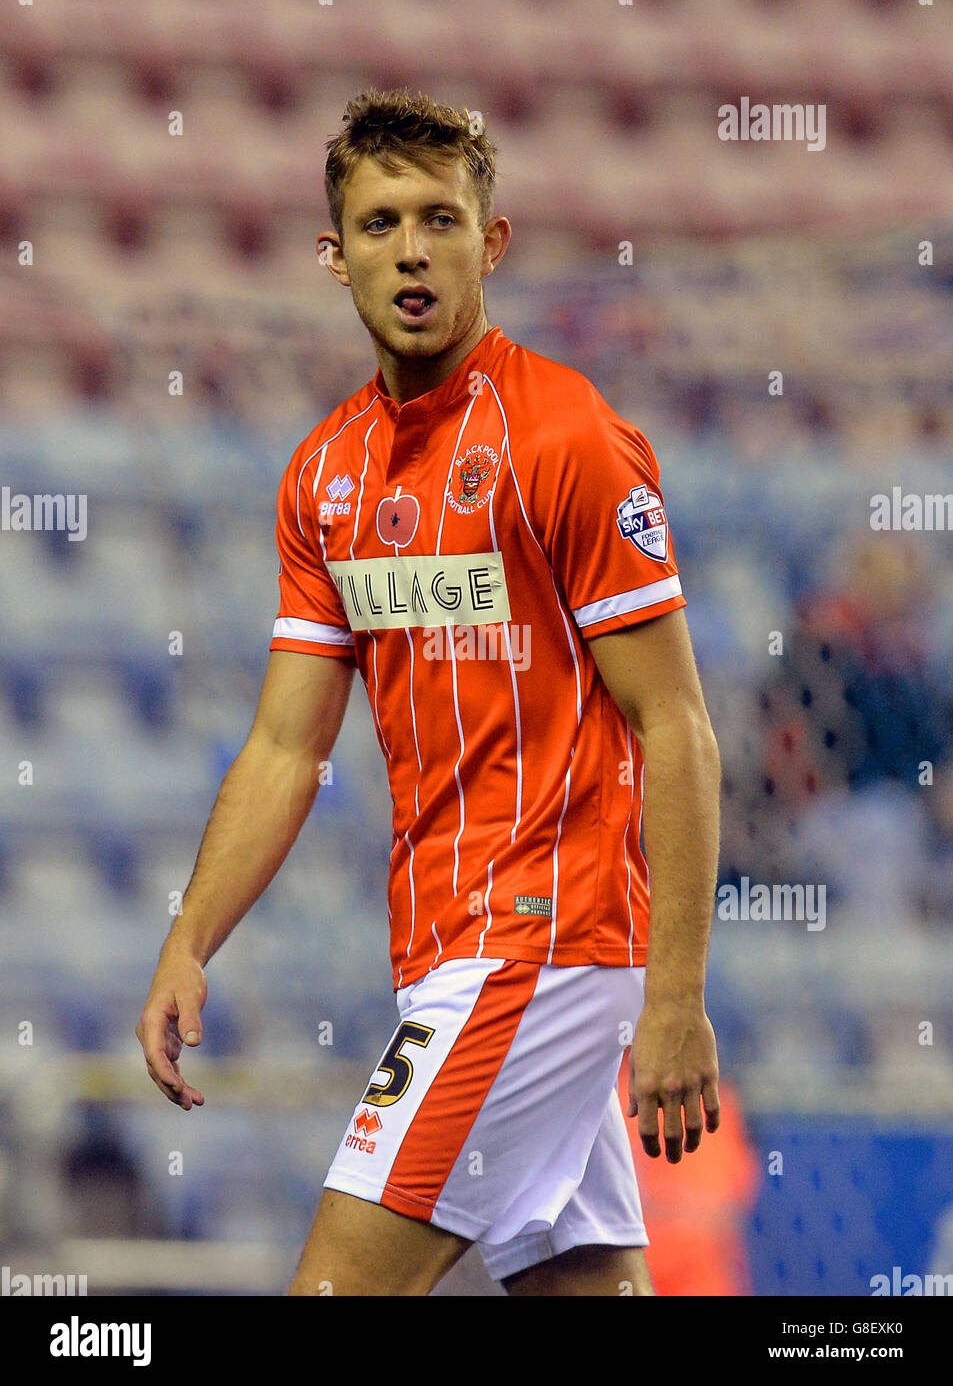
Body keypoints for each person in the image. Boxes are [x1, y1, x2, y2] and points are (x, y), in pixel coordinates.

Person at [136, 87, 722, 1298]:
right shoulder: (325, 475)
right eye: (380, 222)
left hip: (538, 945)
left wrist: (676, 995)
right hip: (447, 947)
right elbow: (285, 747)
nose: (411, 250)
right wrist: (190, 937)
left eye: (440, 220)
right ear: (333, 253)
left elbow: (675, 724)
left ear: (489, 243)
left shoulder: (566, 438)